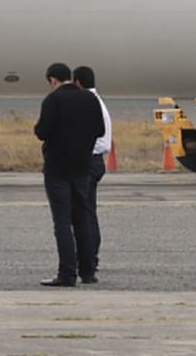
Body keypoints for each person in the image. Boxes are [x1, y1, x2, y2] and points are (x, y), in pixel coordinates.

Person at [34, 62, 105, 287]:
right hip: (82, 167)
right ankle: (88, 271)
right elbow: (100, 130)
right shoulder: (90, 99)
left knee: (62, 222)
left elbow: (42, 132)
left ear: (53, 80)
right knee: (82, 218)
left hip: (57, 169)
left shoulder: (52, 100)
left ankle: (67, 273)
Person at [73, 65, 112, 277]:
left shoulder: (89, 103)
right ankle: (89, 258)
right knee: (87, 212)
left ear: (77, 82)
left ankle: (89, 259)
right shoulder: (96, 101)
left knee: (85, 214)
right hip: (94, 160)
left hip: (89, 161)